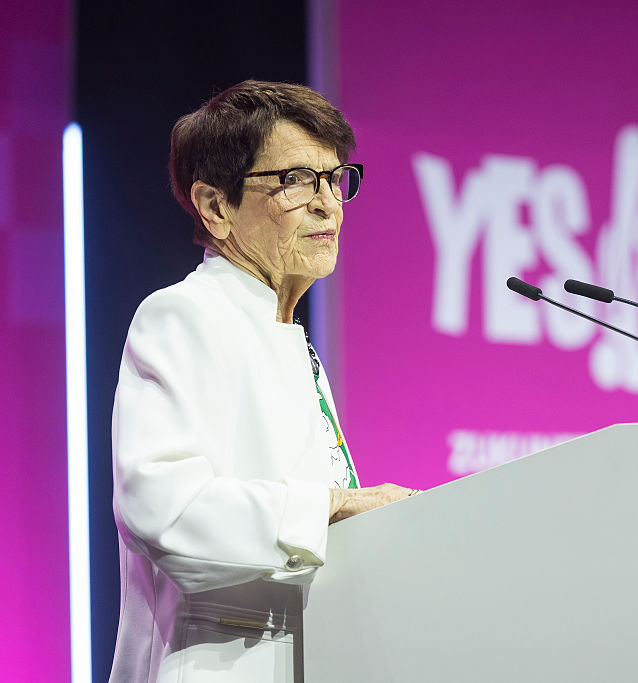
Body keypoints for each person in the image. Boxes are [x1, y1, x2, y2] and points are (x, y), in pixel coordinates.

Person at [109, 80, 416, 682]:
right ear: (215, 206)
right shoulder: (183, 314)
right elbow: (161, 507)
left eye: (334, 179)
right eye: (295, 181)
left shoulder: (288, 337)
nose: (328, 205)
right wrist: (330, 507)